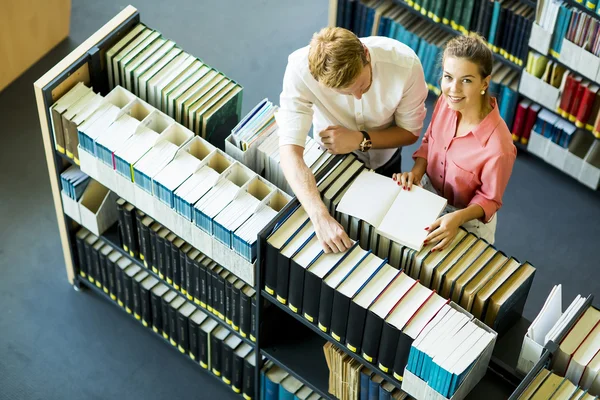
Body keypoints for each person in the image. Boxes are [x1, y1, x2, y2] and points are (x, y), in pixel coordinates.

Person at [276, 27, 428, 254]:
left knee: (383, 235)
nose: (358, 96)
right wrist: (320, 216)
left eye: (363, 86)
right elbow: (289, 152)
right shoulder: (299, 71)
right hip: (332, 157)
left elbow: (410, 133)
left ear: (365, 53)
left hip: (385, 157)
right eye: (346, 94)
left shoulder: (405, 65)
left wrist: (360, 139)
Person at [395, 34, 516, 250]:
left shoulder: (500, 147)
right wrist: (416, 172)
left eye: (466, 80)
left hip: (467, 221)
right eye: (448, 77)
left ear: (484, 83)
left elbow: (490, 199)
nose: (454, 89)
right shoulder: (446, 102)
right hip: (428, 197)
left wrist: (458, 218)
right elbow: (428, 143)